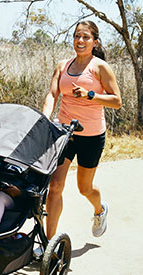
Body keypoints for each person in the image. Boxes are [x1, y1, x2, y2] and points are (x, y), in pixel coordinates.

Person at [41, 20, 122, 240]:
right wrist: (44, 118)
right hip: (65, 132)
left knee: (84, 188)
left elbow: (116, 101)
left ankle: (100, 209)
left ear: (95, 42)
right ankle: (49, 242)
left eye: (86, 37)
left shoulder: (99, 67)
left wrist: (91, 95)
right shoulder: (62, 66)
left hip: (92, 136)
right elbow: (52, 95)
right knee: (55, 186)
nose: (80, 41)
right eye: (77, 36)